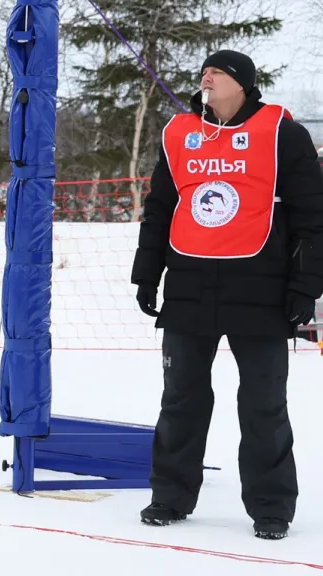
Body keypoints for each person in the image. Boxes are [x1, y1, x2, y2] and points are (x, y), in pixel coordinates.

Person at [131, 50, 323, 541]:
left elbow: (313, 219)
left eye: (219, 71)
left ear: (243, 84)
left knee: (263, 405)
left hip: (261, 293)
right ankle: (170, 497)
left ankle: (271, 507)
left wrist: (307, 287)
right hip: (191, 288)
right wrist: (147, 274)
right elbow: (159, 208)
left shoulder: (283, 133)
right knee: (180, 400)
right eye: (204, 71)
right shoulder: (181, 134)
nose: (207, 76)